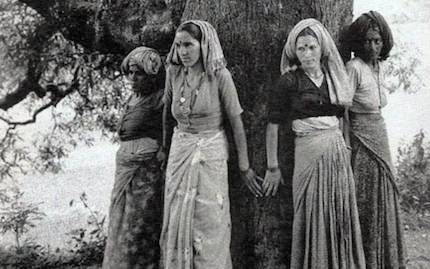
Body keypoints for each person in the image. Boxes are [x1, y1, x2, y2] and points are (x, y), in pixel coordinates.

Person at [159, 20, 261, 269]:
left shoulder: (220, 76)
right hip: (180, 151)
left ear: (203, 45)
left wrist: (245, 166)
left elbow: (236, 123)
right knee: (177, 219)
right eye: (179, 45)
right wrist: (164, 147)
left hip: (211, 153)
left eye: (189, 45)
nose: (183, 51)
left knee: (208, 221)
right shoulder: (174, 73)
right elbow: (166, 114)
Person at [265, 18, 366, 268]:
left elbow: (341, 120)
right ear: (294, 52)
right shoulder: (289, 81)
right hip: (307, 152)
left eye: (312, 47)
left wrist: (345, 148)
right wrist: (273, 167)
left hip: (336, 154)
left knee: (338, 210)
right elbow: (273, 125)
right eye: (301, 48)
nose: (307, 53)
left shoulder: (334, 79)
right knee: (311, 212)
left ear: (322, 48)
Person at [343, 11, 406, 269]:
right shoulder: (354, 68)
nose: (372, 46)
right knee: (366, 199)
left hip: (380, 135)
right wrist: (346, 145)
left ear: (384, 42)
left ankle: (387, 260)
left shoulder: (379, 67)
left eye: (377, 41)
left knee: (385, 194)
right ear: (359, 42)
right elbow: (343, 110)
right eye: (367, 41)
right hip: (361, 140)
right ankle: (367, 260)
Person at [102, 46, 165, 269]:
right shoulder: (132, 99)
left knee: (139, 223)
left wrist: (160, 150)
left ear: (150, 75)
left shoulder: (160, 99)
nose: (133, 78)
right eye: (130, 72)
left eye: (138, 73)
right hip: (125, 167)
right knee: (119, 221)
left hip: (145, 170)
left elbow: (168, 130)